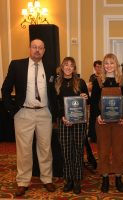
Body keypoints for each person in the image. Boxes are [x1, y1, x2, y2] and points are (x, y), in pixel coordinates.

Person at [1, 38, 57, 196]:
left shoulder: (51, 67)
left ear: (44, 50)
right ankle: (23, 181)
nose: (37, 50)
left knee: (45, 148)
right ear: (29, 49)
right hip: (23, 113)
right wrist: (11, 110)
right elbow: (5, 89)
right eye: (34, 47)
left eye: (40, 48)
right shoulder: (17, 65)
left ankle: (47, 178)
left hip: (44, 113)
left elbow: (54, 91)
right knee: (24, 150)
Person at [90, 53, 123, 193]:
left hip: (119, 122)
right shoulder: (98, 81)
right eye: (106, 63)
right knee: (104, 150)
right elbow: (94, 101)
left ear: (116, 65)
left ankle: (119, 177)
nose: (108, 66)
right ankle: (105, 177)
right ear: (103, 66)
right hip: (102, 122)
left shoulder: (122, 80)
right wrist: (97, 115)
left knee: (119, 150)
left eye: (111, 63)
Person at [54, 57, 89, 194]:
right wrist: (62, 116)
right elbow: (54, 103)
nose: (68, 67)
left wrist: (86, 97)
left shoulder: (80, 82)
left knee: (78, 150)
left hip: (79, 122)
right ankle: (68, 179)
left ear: (74, 68)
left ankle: (77, 179)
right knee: (66, 151)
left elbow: (88, 101)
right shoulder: (56, 83)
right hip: (63, 121)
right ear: (62, 67)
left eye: (71, 65)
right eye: (66, 65)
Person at [88, 60, 102, 142]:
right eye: (97, 67)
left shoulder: (104, 76)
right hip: (94, 99)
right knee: (93, 118)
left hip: (102, 100)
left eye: (100, 66)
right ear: (94, 67)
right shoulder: (92, 77)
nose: (98, 68)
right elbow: (89, 88)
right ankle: (93, 136)